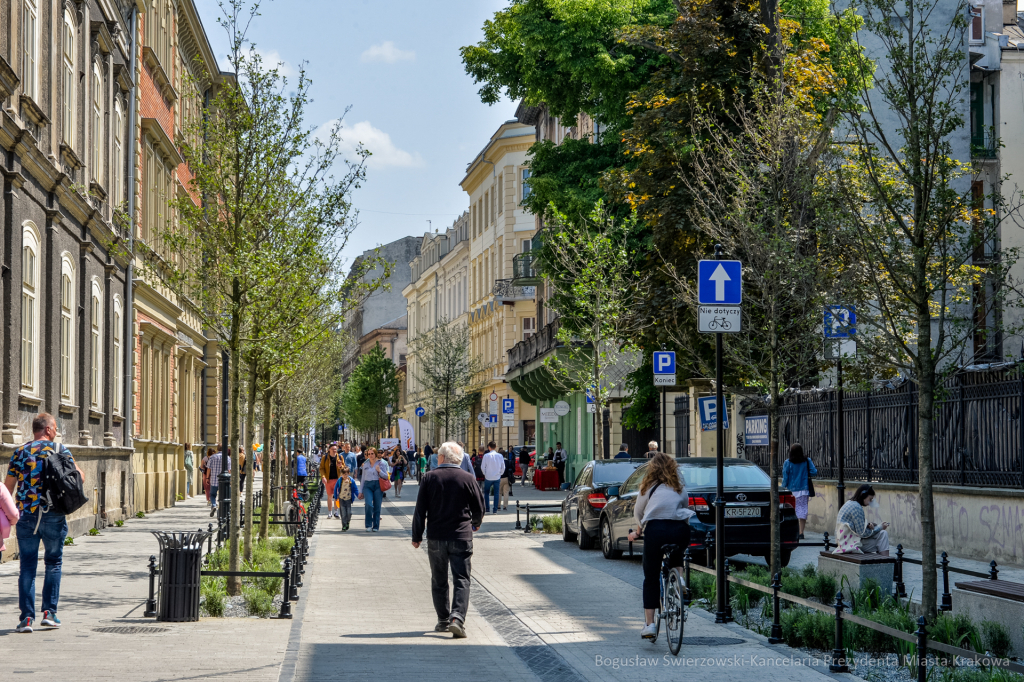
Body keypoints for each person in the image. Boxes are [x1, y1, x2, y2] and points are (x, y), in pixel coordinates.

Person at [5, 413, 86, 633]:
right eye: (55, 428)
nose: (56, 432)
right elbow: (80, 477)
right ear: (49, 430)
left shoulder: (20, 453)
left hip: (27, 516)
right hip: (53, 514)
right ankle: (50, 614)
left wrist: (8, 516)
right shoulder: (60, 450)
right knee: (53, 562)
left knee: (27, 566)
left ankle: (26, 619)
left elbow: (7, 488)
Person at [411, 442, 485, 639]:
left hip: (436, 537)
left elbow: (420, 511)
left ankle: (443, 619)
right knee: (461, 579)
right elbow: (479, 506)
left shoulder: (429, 477)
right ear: (459, 460)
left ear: (441, 458)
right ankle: (457, 619)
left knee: (439, 579)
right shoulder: (468, 478)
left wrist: (417, 536)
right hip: (461, 536)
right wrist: (475, 523)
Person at [626, 452, 694, 640]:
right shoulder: (679, 487)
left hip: (656, 531)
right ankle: (679, 578)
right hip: (680, 529)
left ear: (652, 468)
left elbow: (638, 513)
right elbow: (684, 506)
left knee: (651, 576)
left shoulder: (647, 488)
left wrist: (637, 533)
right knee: (677, 551)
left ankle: (650, 625)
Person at [834, 484, 890, 555]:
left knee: (883, 534)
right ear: (863, 495)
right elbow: (862, 533)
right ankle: (886, 562)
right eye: (870, 499)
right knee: (883, 537)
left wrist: (870, 527)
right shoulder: (857, 507)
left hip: (846, 540)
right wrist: (879, 527)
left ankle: (885, 561)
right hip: (850, 544)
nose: (870, 503)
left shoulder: (851, 503)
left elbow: (856, 527)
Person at [781, 442, 818, 538]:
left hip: (791, 490)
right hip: (803, 489)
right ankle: (801, 532)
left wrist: (783, 488)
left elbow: (785, 478)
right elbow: (814, 472)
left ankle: (793, 531)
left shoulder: (787, 462)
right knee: (803, 510)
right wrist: (805, 472)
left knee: (792, 511)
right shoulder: (807, 461)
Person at [358, 448, 390, 532]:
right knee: (368, 504)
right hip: (368, 485)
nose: (370, 455)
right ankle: (368, 525)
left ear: (375, 454)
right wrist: (360, 491)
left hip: (378, 485)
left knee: (377, 506)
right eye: (369, 454)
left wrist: (379, 471)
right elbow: (363, 479)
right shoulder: (365, 464)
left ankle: (375, 526)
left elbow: (386, 477)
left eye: (372, 453)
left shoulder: (381, 463)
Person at [319, 444, 344, 518]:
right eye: (333, 449)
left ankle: (336, 512)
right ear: (329, 449)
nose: (334, 450)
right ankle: (329, 512)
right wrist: (323, 477)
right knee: (329, 496)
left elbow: (344, 468)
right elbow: (321, 468)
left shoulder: (340, 457)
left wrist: (341, 466)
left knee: (337, 496)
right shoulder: (325, 457)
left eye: (335, 449)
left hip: (337, 480)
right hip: (328, 480)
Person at [480, 442, 505, 514]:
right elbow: (503, 467)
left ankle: (487, 508)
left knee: (486, 493)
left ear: (489, 447)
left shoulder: (486, 456)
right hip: (497, 477)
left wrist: (485, 474)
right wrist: (500, 474)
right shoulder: (500, 456)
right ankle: (495, 510)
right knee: (496, 493)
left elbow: (482, 467)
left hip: (488, 477)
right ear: (496, 447)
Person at [333, 464, 359, 531]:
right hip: (341, 499)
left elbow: (355, 489)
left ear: (348, 473)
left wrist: (358, 494)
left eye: (346, 474)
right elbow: (336, 488)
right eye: (343, 474)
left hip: (349, 499)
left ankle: (348, 522)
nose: (345, 476)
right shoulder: (339, 480)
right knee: (343, 513)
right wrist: (335, 497)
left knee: (349, 513)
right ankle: (344, 525)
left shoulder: (351, 481)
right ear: (341, 474)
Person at [208, 447, 231, 517]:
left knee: (212, 495)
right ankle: (221, 511)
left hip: (214, 480)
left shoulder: (212, 457)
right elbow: (229, 470)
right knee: (223, 497)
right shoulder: (227, 458)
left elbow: (208, 468)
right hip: (224, 481)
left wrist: (207, 477)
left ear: (217, 449)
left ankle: (214, 505)